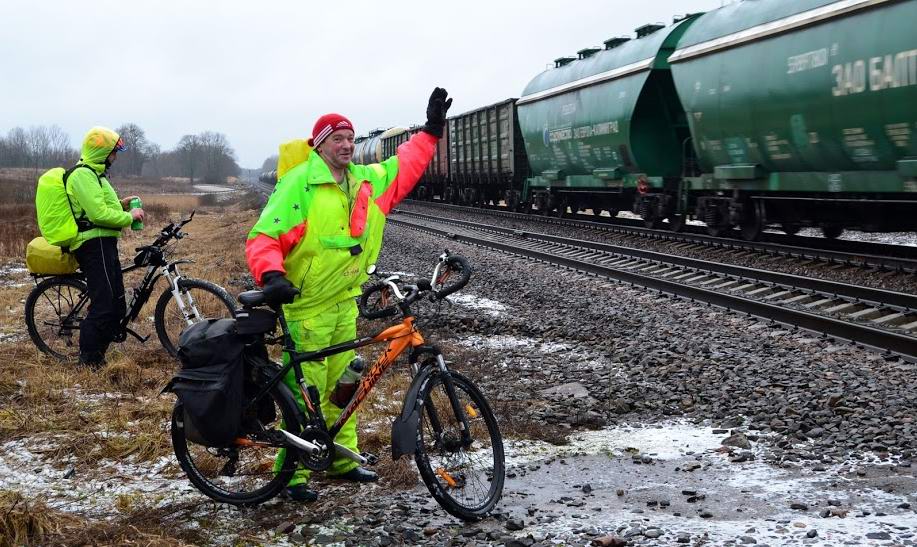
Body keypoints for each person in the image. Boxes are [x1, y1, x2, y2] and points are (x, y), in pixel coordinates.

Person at [246, 87, 452, 502]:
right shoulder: (299, 185)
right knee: (308, 391)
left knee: (348, 383)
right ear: (319, 144)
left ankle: (343, 458)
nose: (346, 145)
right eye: (337, 138)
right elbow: (264, 235)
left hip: (343, 302)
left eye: (350, 138)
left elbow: (403, 167)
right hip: (306, 307)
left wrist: (429, 133)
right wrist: (271, 275)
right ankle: (293, 475)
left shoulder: (364, 182)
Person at [67, 126, 145, 367]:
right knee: (104, 304)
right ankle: (89, 360)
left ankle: (99, 350)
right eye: (113, 152)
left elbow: (103, 208)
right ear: (102, 152)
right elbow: (98, 214)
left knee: (117, 303)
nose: (115, 157)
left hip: (104, 242)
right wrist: (129, 217)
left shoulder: (96, 175)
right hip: (92, 244)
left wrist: (122, 206)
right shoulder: (83, 175)